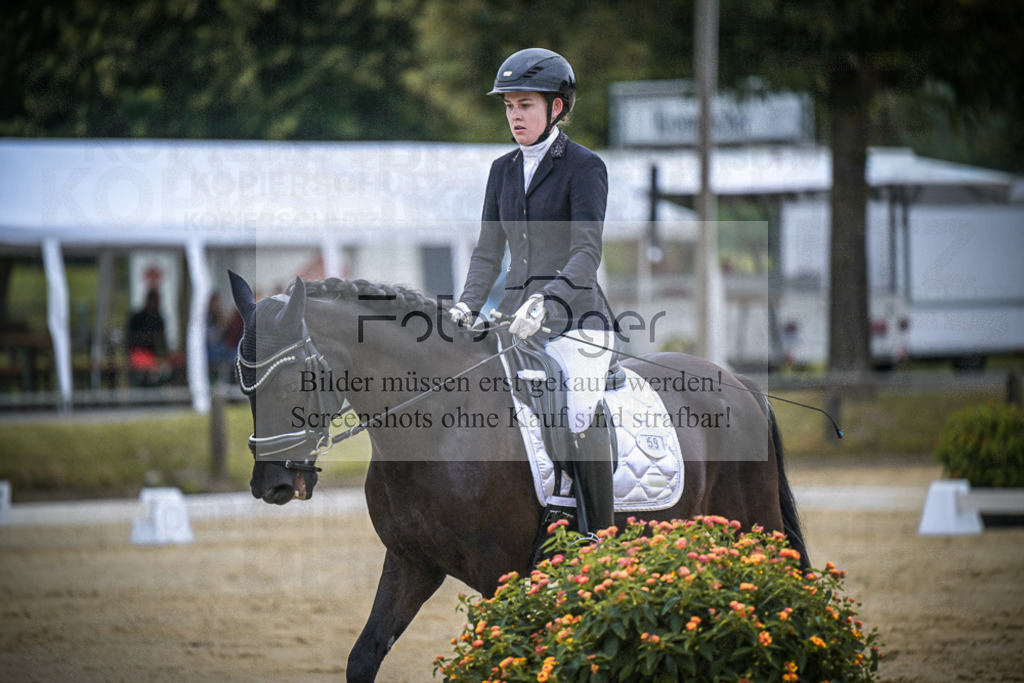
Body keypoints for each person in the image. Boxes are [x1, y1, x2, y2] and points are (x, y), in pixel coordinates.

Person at [449, 48, 615, 536]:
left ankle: (596, 534)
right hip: (512, 324)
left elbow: (586, 253)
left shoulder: (584, 167)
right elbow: (486, 253)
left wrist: (547, 301)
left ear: (556, 108)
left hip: (575, 322)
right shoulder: (501, 169)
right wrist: (466, 305)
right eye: (509, 106)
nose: (514, 116)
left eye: (525, 105)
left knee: (580, 411)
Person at [126, 288, 169, 387]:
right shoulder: (137, 318)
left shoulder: (159, 319)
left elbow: (162, 342)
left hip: (155, 359)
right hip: (139, 356)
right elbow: (131, 340)